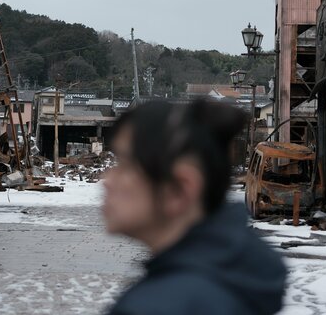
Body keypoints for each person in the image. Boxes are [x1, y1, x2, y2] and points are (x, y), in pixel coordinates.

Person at [103, 99, 286, 315]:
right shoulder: (240, 276)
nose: (107, 180)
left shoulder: (155, 306)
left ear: (180, 189)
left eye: (124, 165)